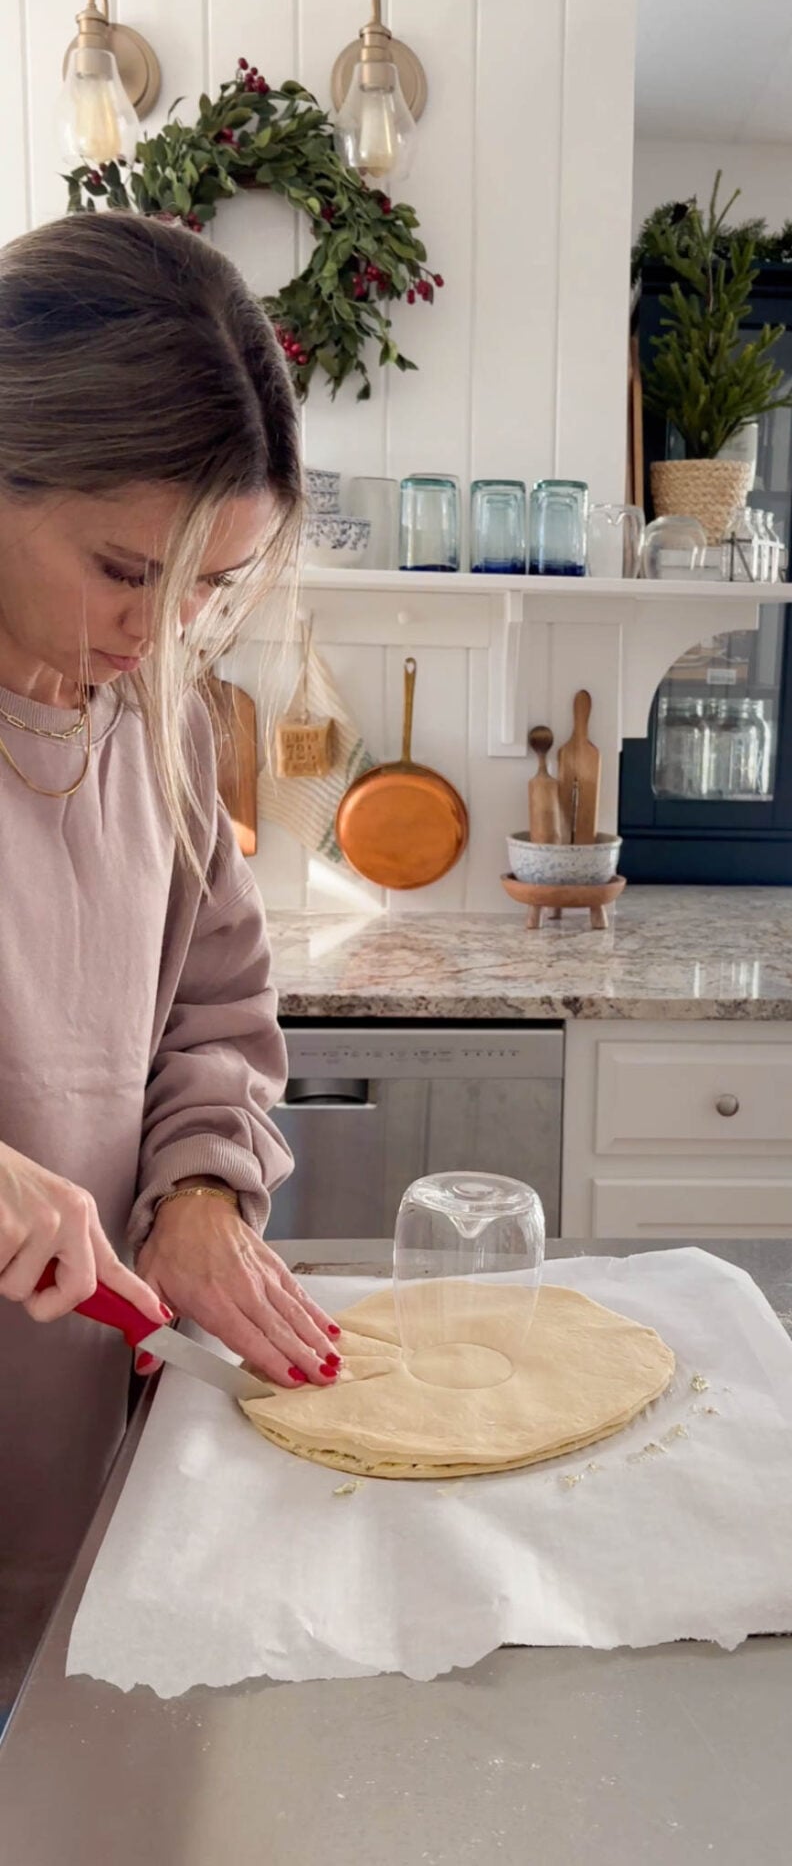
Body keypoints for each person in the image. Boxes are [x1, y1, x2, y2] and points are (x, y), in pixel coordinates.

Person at [0, 211, 342, 1701]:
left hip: (79, 1473)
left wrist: (202, 1186)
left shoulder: (167, 726)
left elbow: (217, 1000)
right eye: (127, 568)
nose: (162, 632)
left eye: (211, 587)